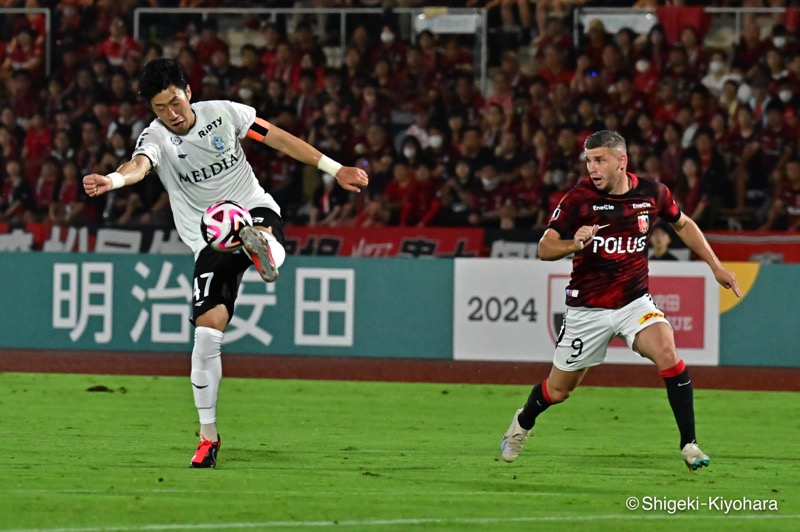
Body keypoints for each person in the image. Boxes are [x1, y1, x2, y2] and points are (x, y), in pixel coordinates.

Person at [82, 58, 369, 469]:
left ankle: (262, 247)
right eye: (160, 107)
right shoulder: (156, 137)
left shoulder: (224, 114)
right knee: (206, 335)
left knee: (263, 231)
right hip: (209, 240)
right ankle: (208, 437)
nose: (171, 113)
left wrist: (335, 168)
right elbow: (139, 167)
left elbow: (276, 137)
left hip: (249, 208)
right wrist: (112, 180)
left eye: (175, 102)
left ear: (188, 92)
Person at [500, 130, 741, 471]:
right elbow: (544, 247)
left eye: (599, 160)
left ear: (621, 161)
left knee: (668, 353)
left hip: (633, 303)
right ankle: (523, 422)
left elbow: (683, 224)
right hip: (587, 310)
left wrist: (715, 266)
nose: (592, 168)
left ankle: (689, 444)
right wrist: (574, 244)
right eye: (588, 161)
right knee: (558, 391)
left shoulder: (652, 193)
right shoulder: (579, 199)